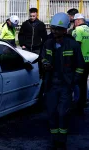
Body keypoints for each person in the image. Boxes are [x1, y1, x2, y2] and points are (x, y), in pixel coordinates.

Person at [41, 12, 84, 149]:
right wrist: (45, 63)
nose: (55, 32)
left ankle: (63, 139)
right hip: (51, 85)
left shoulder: (73, 45)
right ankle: (55, 139)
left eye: (58, 29)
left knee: (63, 113)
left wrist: (73, 81)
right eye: (53, 29)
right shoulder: (48, 43)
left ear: (65, 30)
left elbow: (80, 66)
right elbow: (42, 58)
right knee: (52, 112)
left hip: (66, 85)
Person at [72, 13, 89, 115]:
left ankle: (79, 106)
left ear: (78, 21)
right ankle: (83, 103)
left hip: (80, 61)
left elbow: (76, 45)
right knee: (84, 84)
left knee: (78, 84)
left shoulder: (78, 30)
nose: (74, 23)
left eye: (74, 21)